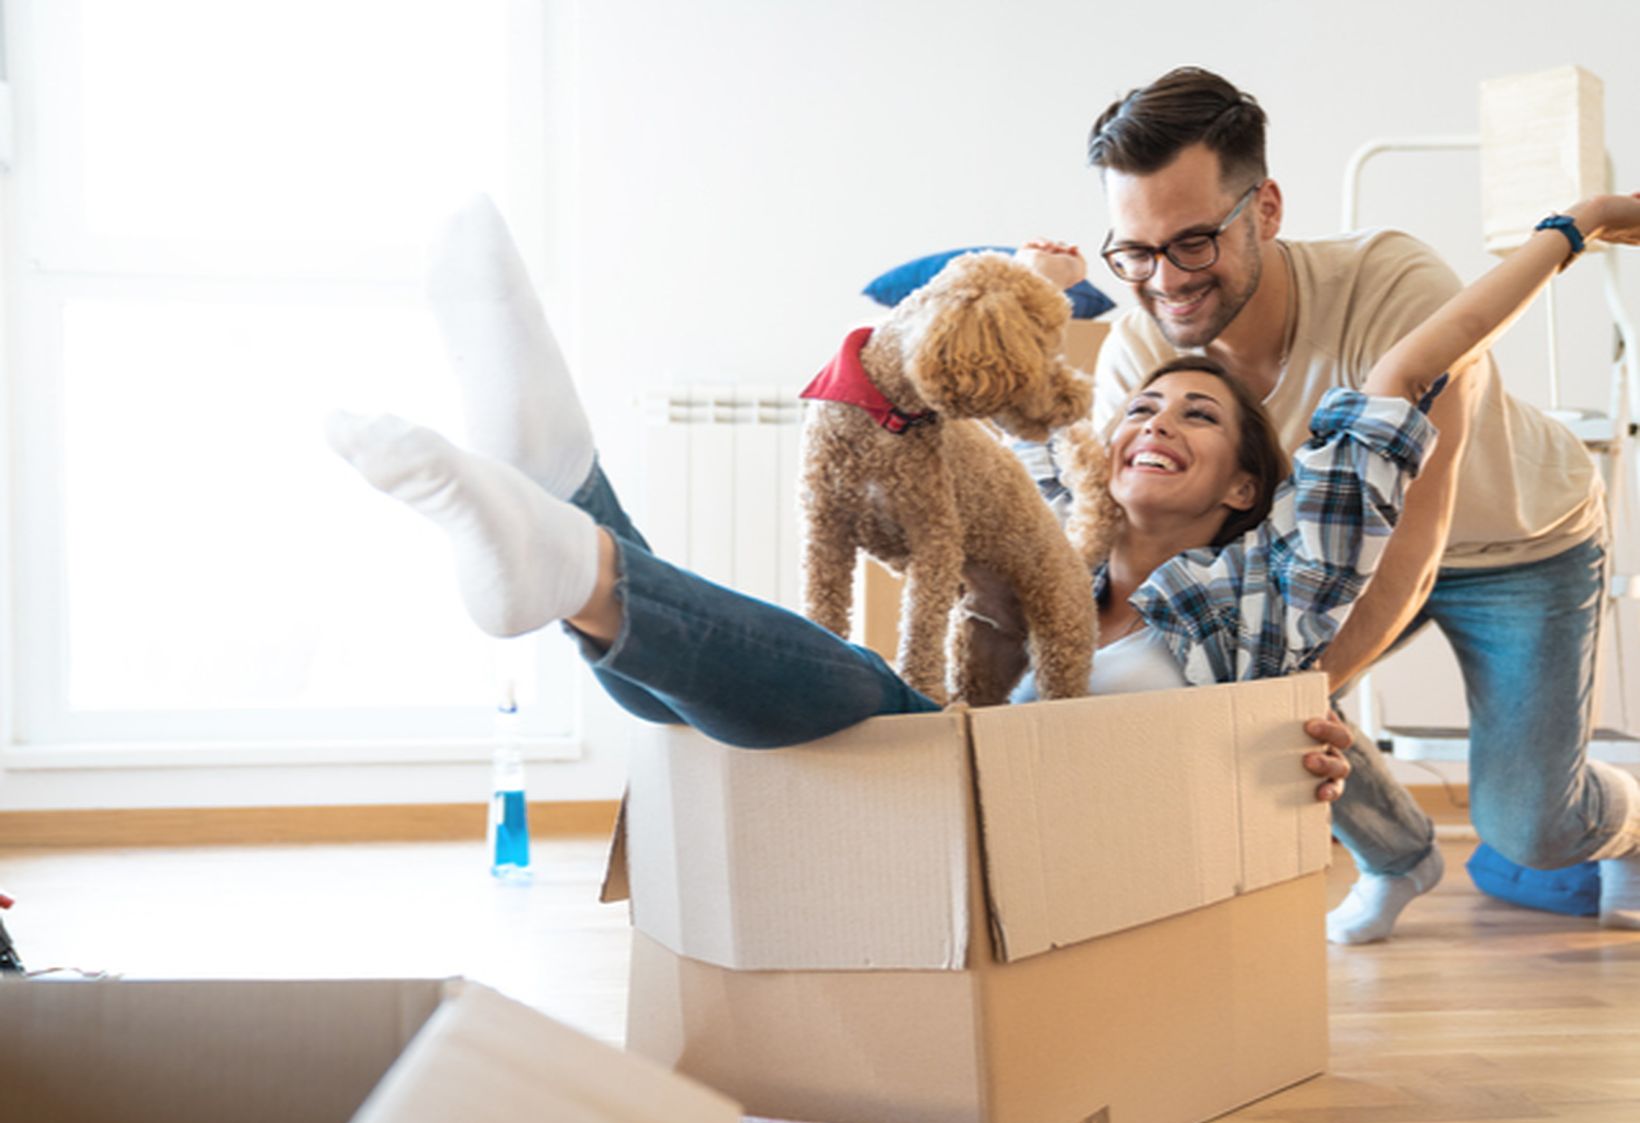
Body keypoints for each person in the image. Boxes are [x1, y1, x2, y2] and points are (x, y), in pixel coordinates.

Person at [324, 191, 1636, 823]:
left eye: (1199, 414)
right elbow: (900, 316)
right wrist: (1028, 278)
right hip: (965, 789)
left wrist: (1566, 232)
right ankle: (571, 515)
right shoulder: (1059, 544)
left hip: (1032, 827)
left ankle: (575, 525)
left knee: (853, 708)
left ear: (1246, 484)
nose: (1151, 419)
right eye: (1141, 405)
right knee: (808, 713)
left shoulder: (1272, 597)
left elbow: (1418, 364)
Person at [1018, 66, 1640, 942]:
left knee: (1532, 828)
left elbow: (1412, 547)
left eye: (1193, 243)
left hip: (1514, 544)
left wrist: (1264, 712)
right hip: (1328, 560)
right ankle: (1399, 854)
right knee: (1234, 648)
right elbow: (1145, 564)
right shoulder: (1134, 354)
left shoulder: (1390, 284)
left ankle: (1630, 819)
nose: (1164, 281)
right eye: (1136, 252)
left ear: (1265, 210)